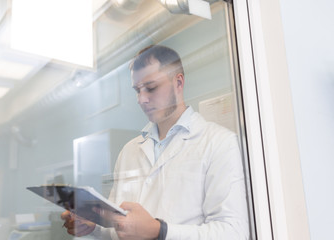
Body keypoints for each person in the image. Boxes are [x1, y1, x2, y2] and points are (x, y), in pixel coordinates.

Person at [61, 45, 249, 239]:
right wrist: (94, 226)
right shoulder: (129, 151)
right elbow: (120, 226)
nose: (141, 99)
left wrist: (160, 231)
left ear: (178, 83)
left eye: (151, 88)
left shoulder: (219, 143)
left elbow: (233, 232)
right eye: (137, 90)